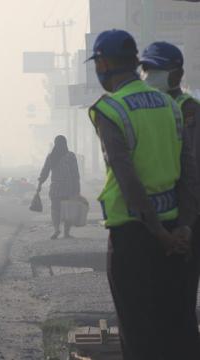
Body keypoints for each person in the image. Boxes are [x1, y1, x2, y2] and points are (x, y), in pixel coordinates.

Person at [87, 30, 198, 359]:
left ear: (103, 64)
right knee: (179, 327)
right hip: (177, 234)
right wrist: (184, 228)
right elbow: (189, 173)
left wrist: (158, 233)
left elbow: (128, 180)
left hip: (134, 237)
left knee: (139, 333)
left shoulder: (110, 110)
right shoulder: (171, 105)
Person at [140, 41, 200, 358]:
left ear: (176, 73)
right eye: (147, 69)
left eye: (157, 70)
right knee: (151, 302)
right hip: (154, 218)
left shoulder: (188, 110)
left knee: (180, 302)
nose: (150, 75)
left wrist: (186, 225)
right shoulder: (145, 109)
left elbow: (192, 174)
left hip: (185, 218)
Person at [37, 136, 80, 239]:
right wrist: (77, 188)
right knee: (67, 210)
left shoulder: (51, 156)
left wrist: (40, 183)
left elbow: (45, 171)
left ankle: (56, 229)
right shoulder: (70, 156)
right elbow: (75, 174)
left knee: (55, 209)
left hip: (55, 187)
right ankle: (66, 233)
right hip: (68, 187)